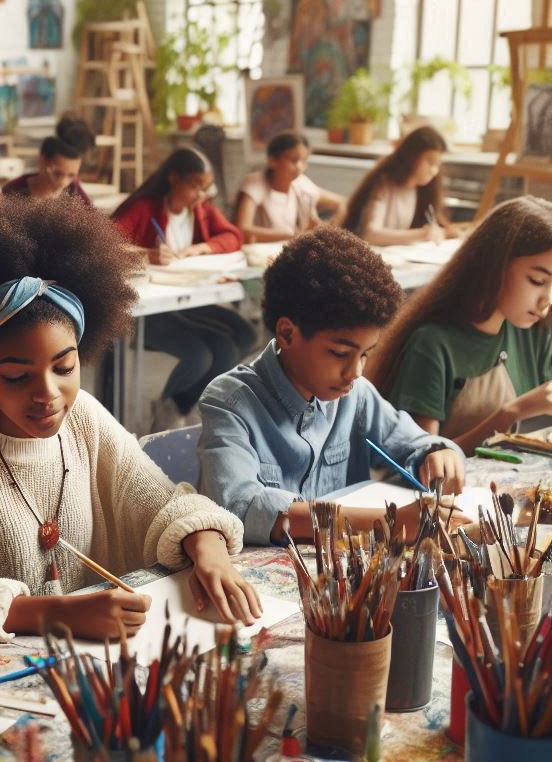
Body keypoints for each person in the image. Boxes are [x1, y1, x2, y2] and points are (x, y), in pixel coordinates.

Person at [0, 195, 261, 648]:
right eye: (17, 376)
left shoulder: (83, 419)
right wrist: (55, 614)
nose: (48, 394)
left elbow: (163, 502)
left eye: (64, 367)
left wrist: (208, 548)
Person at [198, 227, 466, 546]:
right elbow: (240, 507)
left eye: (365, 354)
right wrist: (385, 523)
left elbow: (416, 442)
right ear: (287, 334)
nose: (355, 372)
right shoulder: (229, 403)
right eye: (340, 353)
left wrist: (438, 452)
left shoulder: (356, 396)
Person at [368, 197, 552, 454]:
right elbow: (423, 459)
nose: (547, 300)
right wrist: (511, 413)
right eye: (537, 281)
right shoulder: (433, 344)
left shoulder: (535, 332)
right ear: (495, 265)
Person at [113, 148, 258, 430]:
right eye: (195, 186)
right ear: (174, 179)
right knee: (202, 354)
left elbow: (233, 235)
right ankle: (176, 406)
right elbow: (105, 245)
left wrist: (202, 248)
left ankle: (184, 404)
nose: (201, 195)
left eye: (206, 188)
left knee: (244, 335)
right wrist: (146, 255)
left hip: (188, 298)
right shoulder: (145, 208)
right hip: (148, 307)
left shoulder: (200, 209)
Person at [341, 126, 449, 246]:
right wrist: (422, 234)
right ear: (412, 157)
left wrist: (436, 232)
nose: (434, 171)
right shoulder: (383, 184)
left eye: (437, 165)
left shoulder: (421, 190)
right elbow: (370, 234)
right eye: (430, 162)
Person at [234, 130, 345, 241]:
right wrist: (292, 235)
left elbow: (343, 203)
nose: (299, 167)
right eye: (294, 160)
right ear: (272, 161)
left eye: (303, 161)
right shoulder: (255, 184)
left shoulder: (301, 184)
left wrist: (330, 226)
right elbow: (243, 229)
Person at [2, 117, 95, 203]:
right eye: (57, 174)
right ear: (43, 159)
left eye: (71, 175)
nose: (63, 183)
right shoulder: (13, 191)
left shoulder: (75, 193)